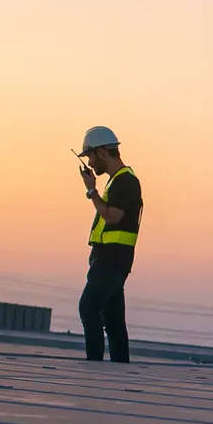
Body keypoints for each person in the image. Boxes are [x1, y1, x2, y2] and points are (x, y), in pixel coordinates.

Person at [75, 125, 142, 363]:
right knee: (112, 320)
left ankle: (94, 365)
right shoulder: (117, 181)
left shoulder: (125, 182)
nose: (90, 163)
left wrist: (91, 190)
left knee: (88, 307)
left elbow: (112, 217)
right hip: (110, 258)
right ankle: (120, 370)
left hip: (113, 259)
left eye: (91, 157)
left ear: (102, 153)